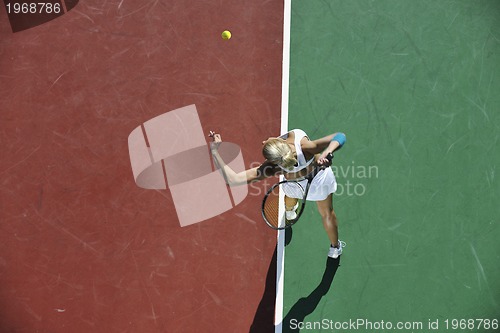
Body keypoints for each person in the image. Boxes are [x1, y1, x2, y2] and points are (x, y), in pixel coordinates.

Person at [208, 129, 346, 258]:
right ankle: (335, 248)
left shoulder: (272, 168)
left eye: (265, 145)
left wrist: (215, 152)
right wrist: (326, 152)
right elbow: (340, 136)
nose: (263, 141)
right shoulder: (304, 146)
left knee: (291, 194)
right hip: (319, 184)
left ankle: (290, 211)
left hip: (294, 186)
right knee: (327, 214)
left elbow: (233, 180)